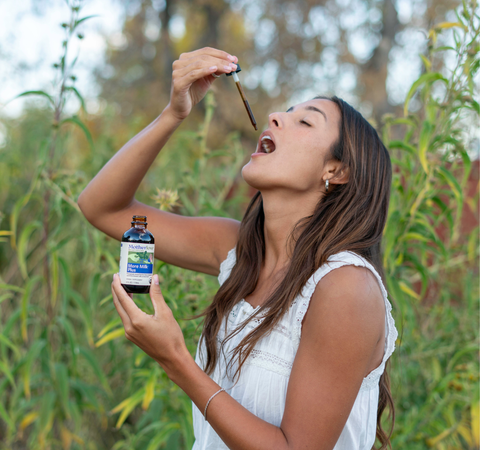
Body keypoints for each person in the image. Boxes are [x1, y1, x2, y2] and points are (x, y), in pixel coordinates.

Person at [78, 47, 398, 450]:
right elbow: (102, 208)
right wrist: (174, 113)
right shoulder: (236, 249)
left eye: (304, 121)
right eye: (284, 111)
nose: (275, 116)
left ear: (336, 170)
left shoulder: (346, 289)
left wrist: (175, 359)